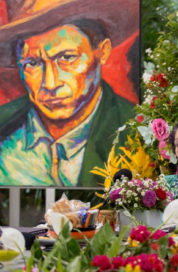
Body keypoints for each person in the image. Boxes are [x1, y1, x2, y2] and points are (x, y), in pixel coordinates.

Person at [0, 0, 138, 186]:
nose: (50, 83)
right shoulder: (5, 130)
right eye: (32, 63)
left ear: (103, 52)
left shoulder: (135, 129)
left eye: (66, 58)